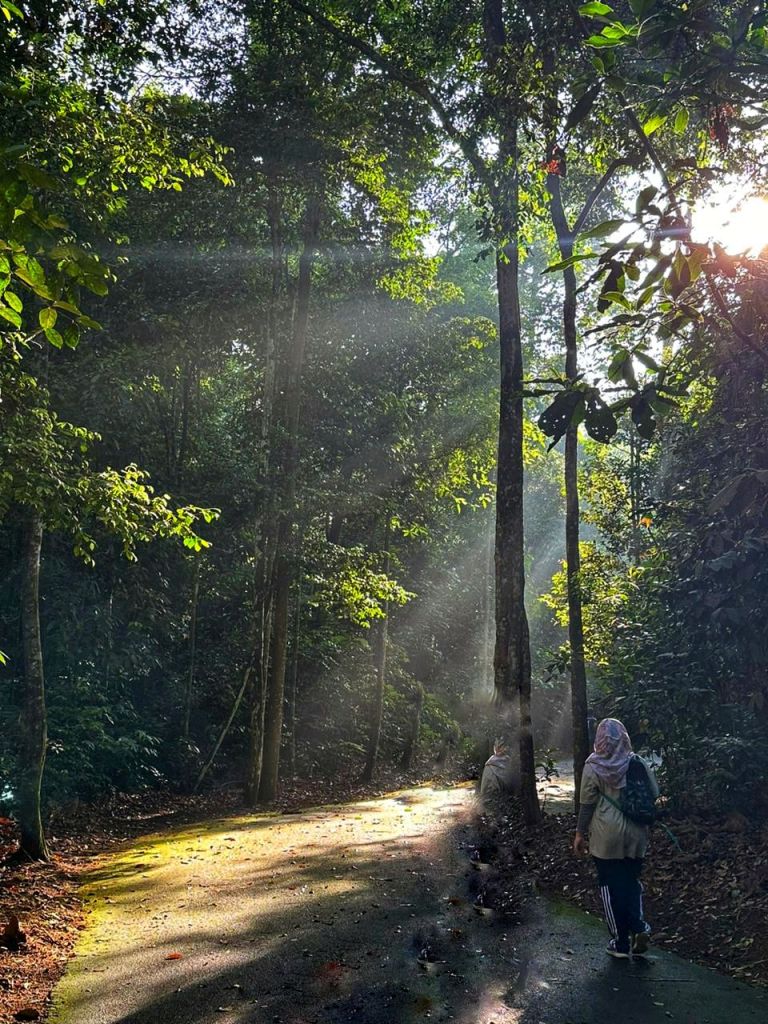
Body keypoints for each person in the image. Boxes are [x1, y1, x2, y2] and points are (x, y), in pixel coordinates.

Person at [573, 718, 659, 959]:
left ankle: (620, 941)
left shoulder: (593, 765)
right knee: (631, 882)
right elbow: (654, 793)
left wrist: (580, 833)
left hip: (606, 835)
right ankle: (639, 928)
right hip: (636, 834)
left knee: (609, 886)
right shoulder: (637, 761)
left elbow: (587, 805)